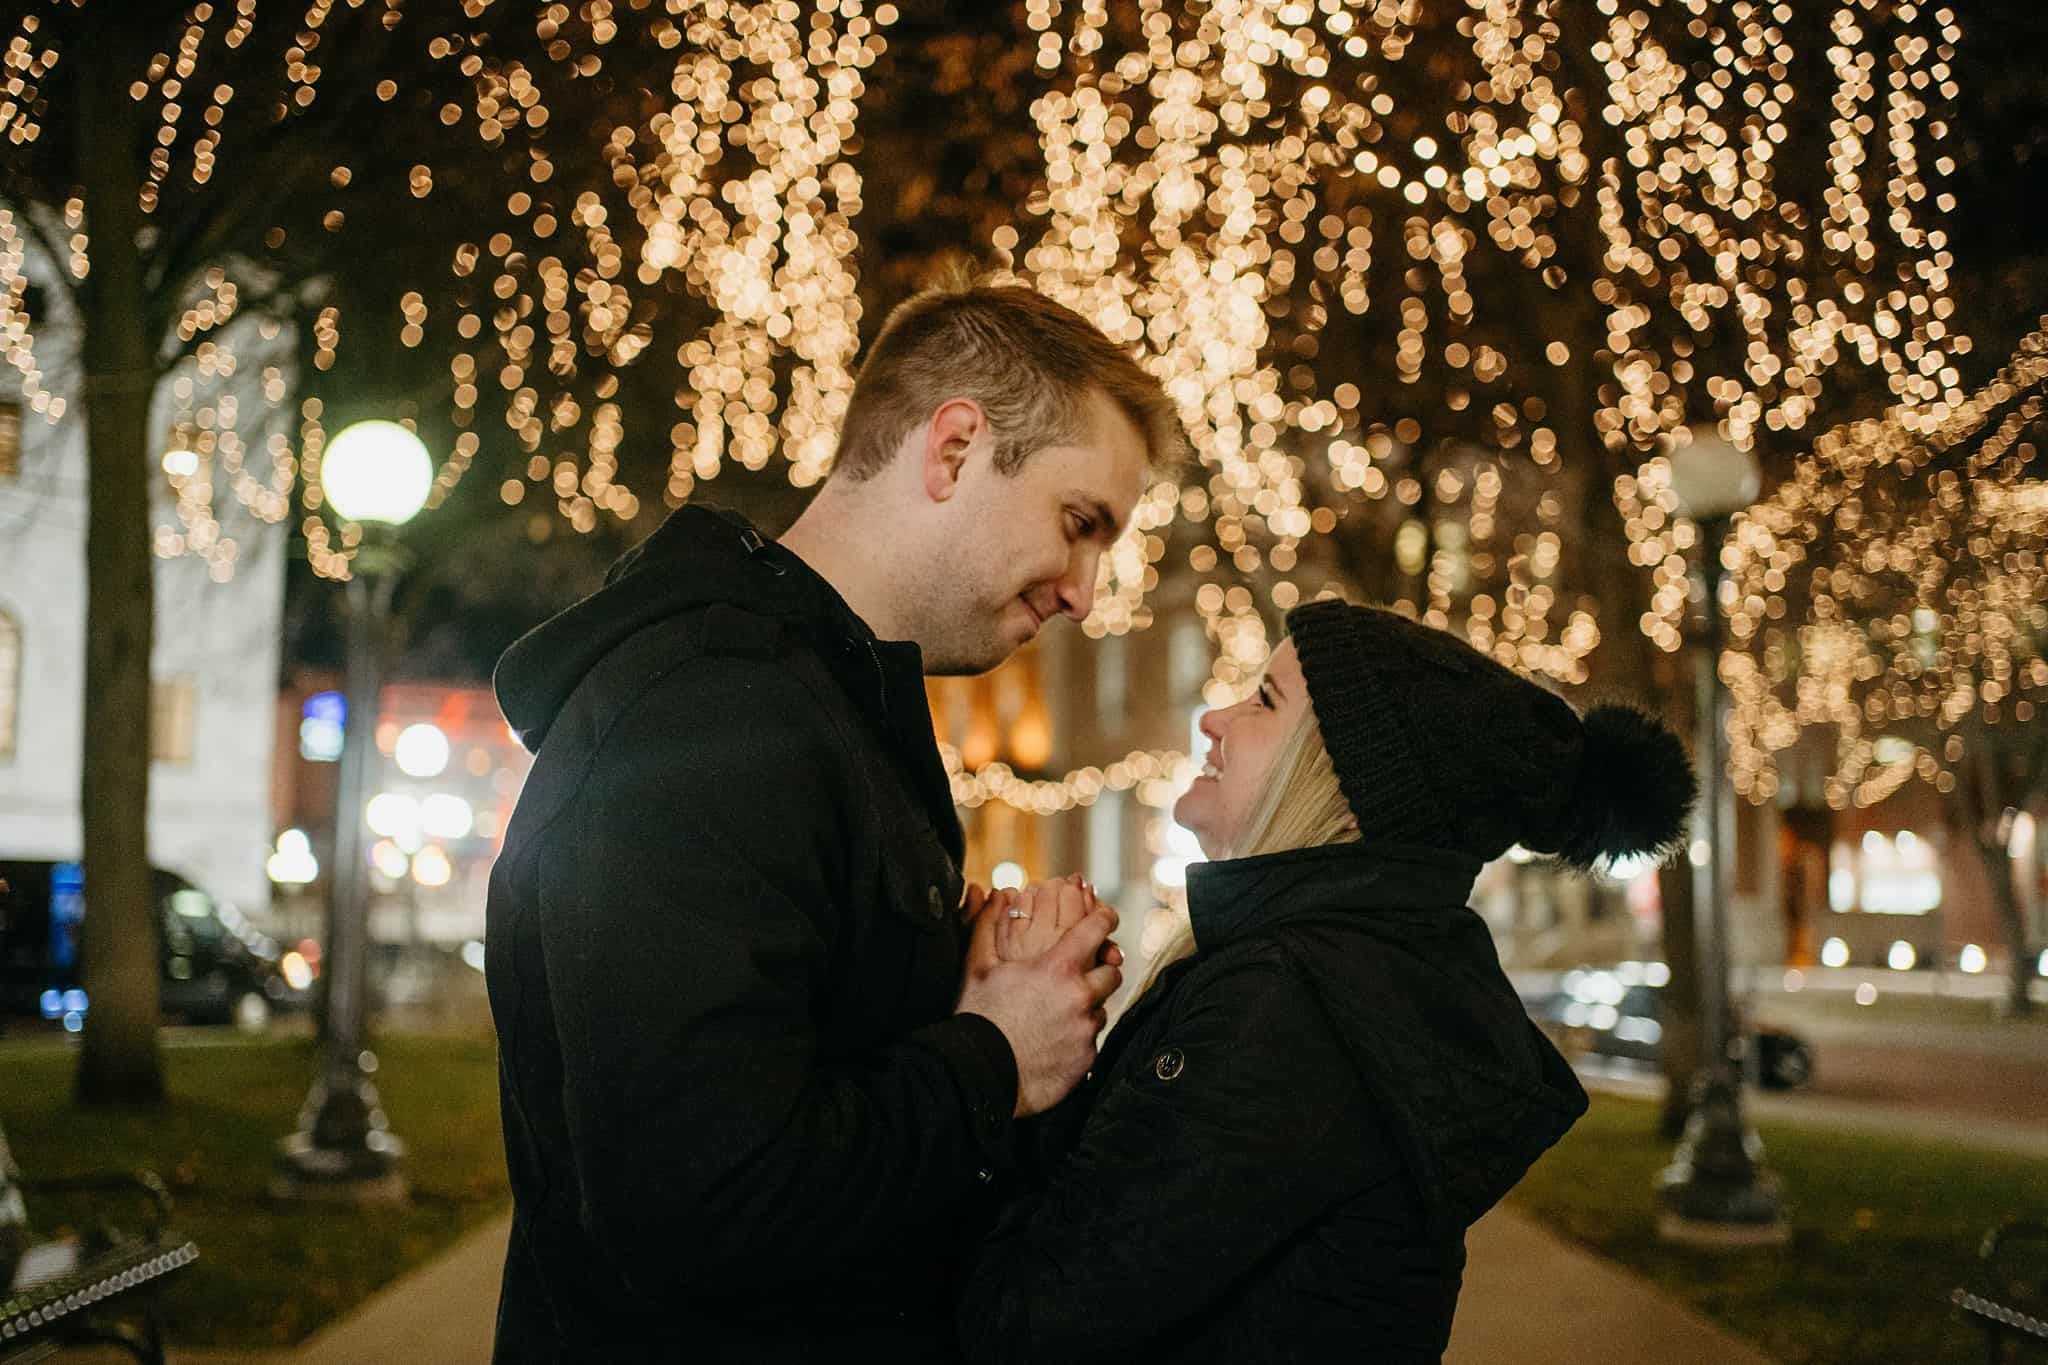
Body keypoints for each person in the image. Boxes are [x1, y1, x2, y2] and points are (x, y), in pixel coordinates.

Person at [484, 280, 1184, 1360]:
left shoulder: (824, 712)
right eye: (1078, 524)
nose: (1084, 593)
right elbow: (704, 1204)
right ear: (952, 449)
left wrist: (955, 979)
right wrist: (993, 1052)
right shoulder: (712, 718)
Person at [959, 600, 1697, 1364]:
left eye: (1264, 702)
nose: (1215, 719)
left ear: (1343, 796)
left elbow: (1022, 1325)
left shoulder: (1287, 1011)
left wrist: (996, 1055)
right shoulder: (1326, 977)